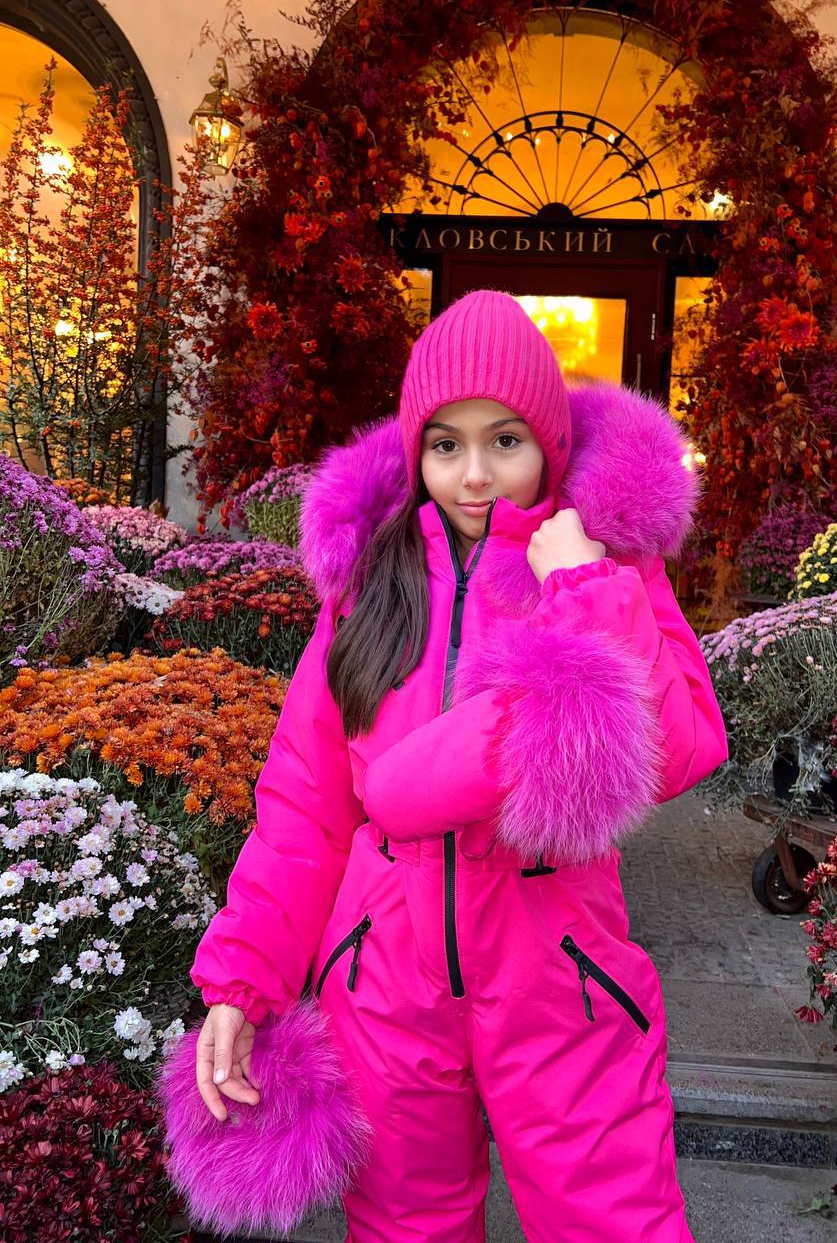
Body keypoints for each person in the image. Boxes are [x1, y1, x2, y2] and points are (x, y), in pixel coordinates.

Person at [178, 289, 728, 1242]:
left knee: (613, 1222)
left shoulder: (606, 563)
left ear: (547, 442)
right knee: (406, 1226)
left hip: (560, 973)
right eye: (445, 445)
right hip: (382, 982)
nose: (475, 475)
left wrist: (585, 585)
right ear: (415, 451)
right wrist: (241, 981)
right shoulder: (369, 588)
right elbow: (305, 806)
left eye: (505, 440)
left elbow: (679, 748)